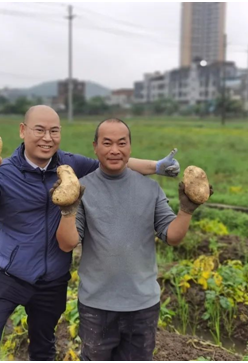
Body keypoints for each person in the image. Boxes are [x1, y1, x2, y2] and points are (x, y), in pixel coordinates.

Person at [0, 106, 181, 361]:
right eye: (39, 130)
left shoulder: (71, 165)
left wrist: (157, 167)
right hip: (9, 273)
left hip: (52, 280)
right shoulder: (4, 170)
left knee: (43, 347)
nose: (47, 137)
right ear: (23, 131)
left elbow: (110, 160)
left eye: (54, 131)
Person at [53, 118, 213, 361]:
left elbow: (172, 236)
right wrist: (68, 209)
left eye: (121, 143)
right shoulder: (82, 188)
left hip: (142, 305)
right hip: (97, 306)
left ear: (130, 147)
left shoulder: (150, 189)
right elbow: (67, 243)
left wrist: (187, 209)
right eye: (107, 143)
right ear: (95, 147)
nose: (114, 150)